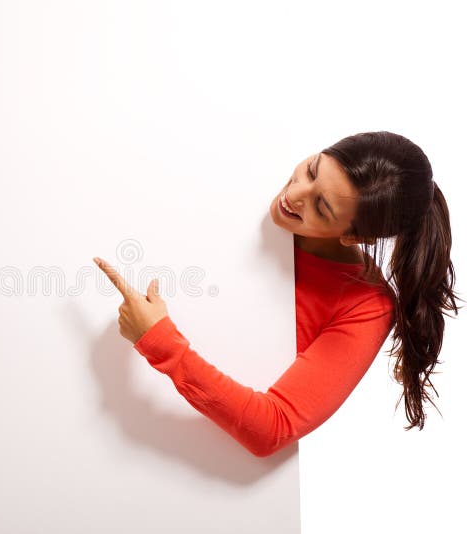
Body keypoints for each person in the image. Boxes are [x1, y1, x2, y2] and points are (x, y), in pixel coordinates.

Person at [94, 131, 460, 457]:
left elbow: (273, 427)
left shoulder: (367, 307)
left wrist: (159, 340)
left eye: (321, 206)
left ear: (354, 237)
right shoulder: (245, 166)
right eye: (313, 169)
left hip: (194, 468)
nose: (294, 194)